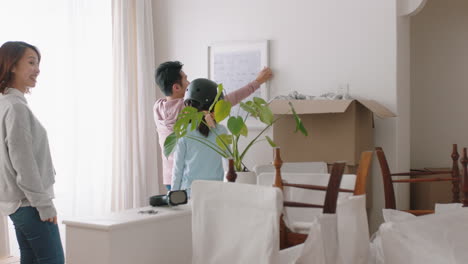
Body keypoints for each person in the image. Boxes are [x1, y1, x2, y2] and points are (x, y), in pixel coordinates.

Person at [153, 61, 273, 190]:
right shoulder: (188, 108)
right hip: (187, 178)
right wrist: (257, 82)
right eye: (185, 79)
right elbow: (228, 101)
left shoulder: (157, 107)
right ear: (176, 87)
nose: (189, 83)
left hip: (170, 177)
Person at [0, 41, 64, 264]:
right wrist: (45, 205)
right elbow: (24, 163)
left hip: (19, 204)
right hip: (30, 204)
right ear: (12, 65)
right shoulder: (15, 107)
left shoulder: (6, 103)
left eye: (38, 63)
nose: (37, 69)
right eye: (31, 62)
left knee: (31, 259)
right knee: (53, 260)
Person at [171, 78, 227, 193]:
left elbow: (178, 169)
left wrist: (173, 194)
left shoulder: (184, 131)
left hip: (190, 193)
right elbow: (230, 163)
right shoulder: (221, 131)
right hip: (216, 192)